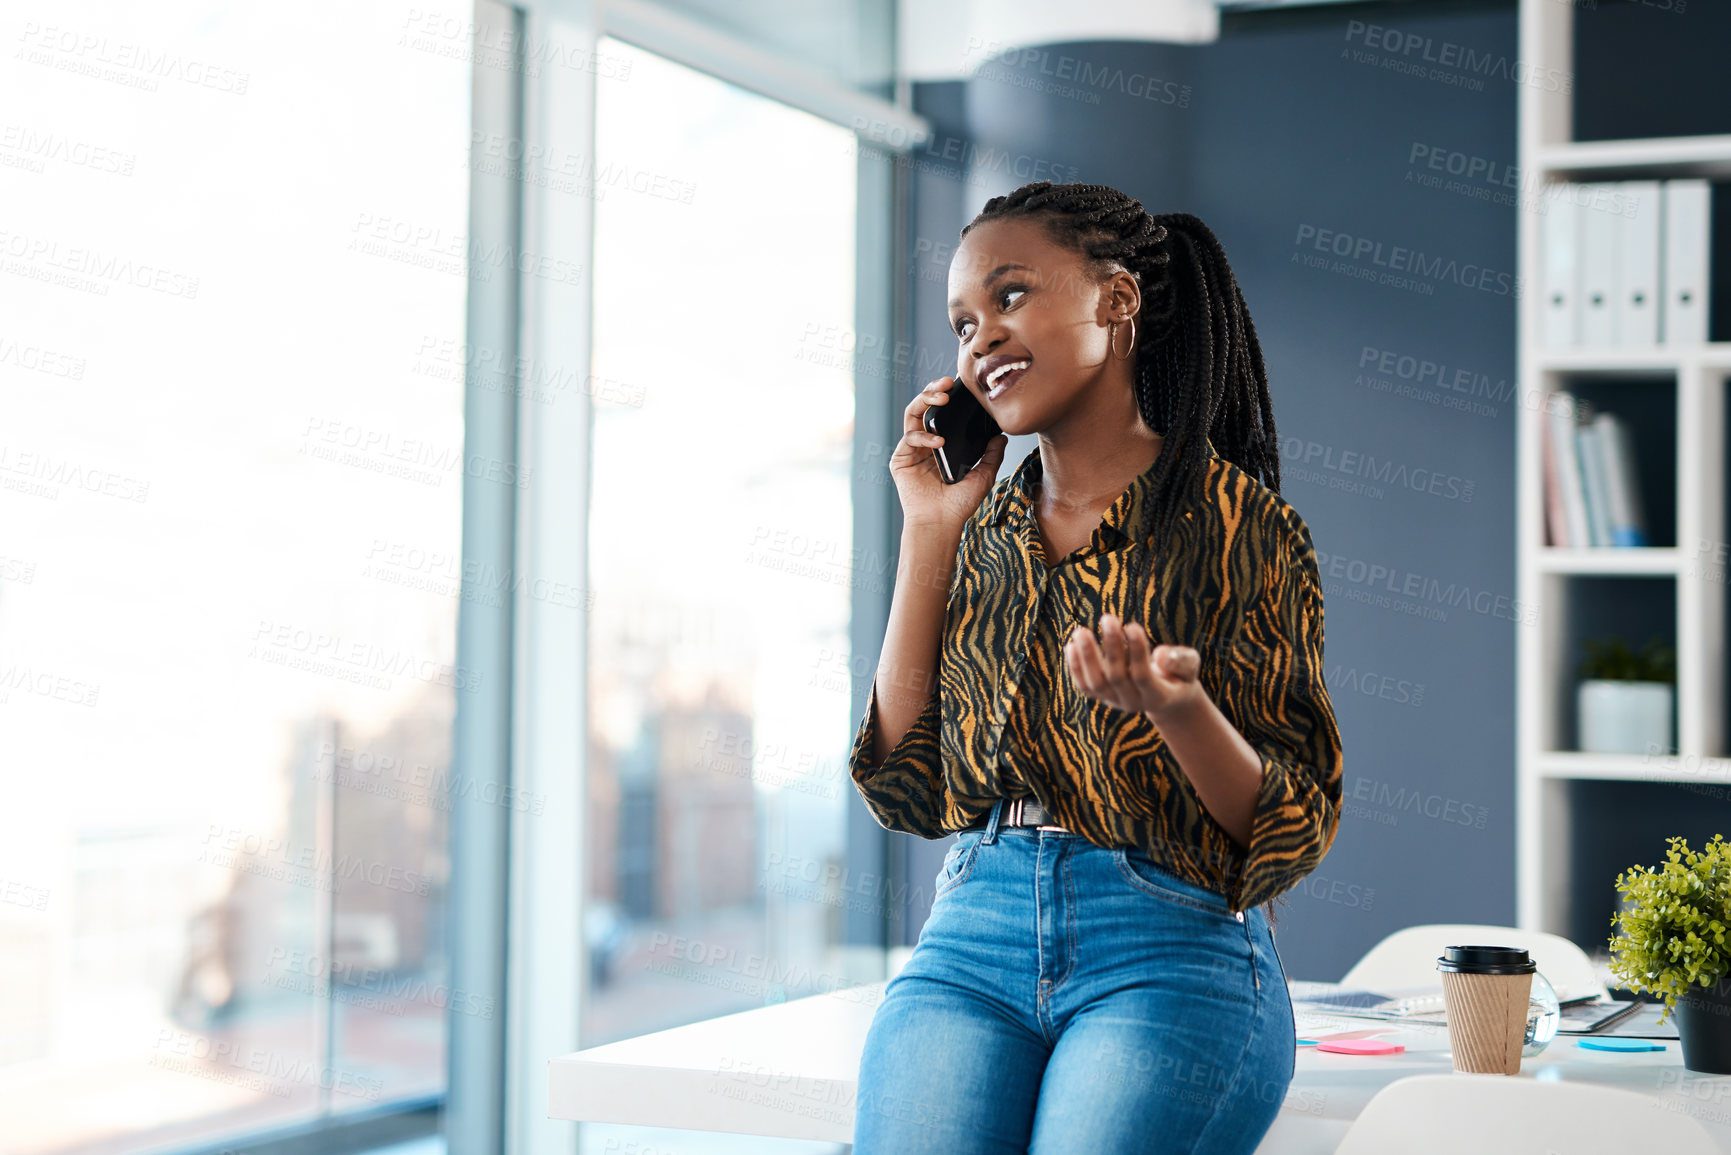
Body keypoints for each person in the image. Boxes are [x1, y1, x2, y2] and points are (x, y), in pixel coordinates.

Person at [847, 180, 1345, 1154]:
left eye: (1011, 295)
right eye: (962, 320)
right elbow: (908, 787)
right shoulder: (984, 529)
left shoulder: (1243, 526)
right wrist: (929, 530)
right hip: (973, 932)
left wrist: (1180, 708)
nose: (980, 335)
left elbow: (1292, 825)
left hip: (1168, 940)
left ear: (1118, 301)